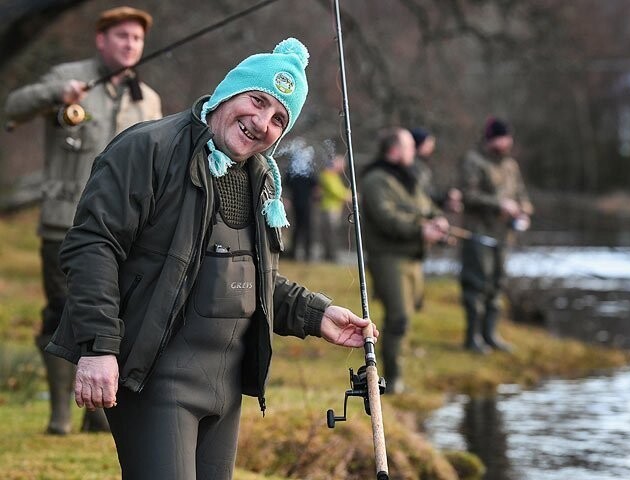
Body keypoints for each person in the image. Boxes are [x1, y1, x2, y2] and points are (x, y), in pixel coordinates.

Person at [45, 38, 377, 479]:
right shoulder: (149, 149)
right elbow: (92, 245)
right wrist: (99, 348)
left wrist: (318, 315)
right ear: (228, 90)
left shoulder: (261, 179)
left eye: (279, 118)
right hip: (153, 378)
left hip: (225, 390)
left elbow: (244, 276)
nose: (261, 123)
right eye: (257, 101)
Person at [4, 6, 162, 435]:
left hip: (125, 231)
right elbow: (12, 109)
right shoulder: (67, 76)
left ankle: (98, 413)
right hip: (65, 223)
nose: (130, 44)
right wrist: (56, 95)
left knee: (113, 315)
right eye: (122, 36)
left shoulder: (147, 100)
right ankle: (59, 415)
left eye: (136, 39)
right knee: (61, 312)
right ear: (101, 40)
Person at [360, 127, 449, 394]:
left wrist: (438, 218)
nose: (414, 152)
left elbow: (426, 206)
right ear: (395, 150)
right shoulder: (376, 179)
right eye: (409, 147)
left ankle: (399, 375)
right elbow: (386, 218)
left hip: (412, 258)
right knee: (397, 317)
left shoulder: (408, 177)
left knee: (407, 318)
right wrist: (420, 229)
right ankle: (393, 381)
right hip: (389, 258)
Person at [459, 117, 533, 354]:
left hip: (504, 236)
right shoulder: (473, 161)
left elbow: (522, 195)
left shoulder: (511, 166)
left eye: (508, 138)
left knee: (497, 285)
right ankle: (473, 338)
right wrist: (499, 204)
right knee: (477, 284)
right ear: (492, 139)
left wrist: (523, 210)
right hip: (478, 233)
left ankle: (490, 335)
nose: (506, 142)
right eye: (502, 137)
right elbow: (468, 196)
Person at [410, 127, 463, 213]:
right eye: (428, 143)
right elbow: (424, 192)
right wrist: (446, 196)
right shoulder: (413, 167)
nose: (432, 147)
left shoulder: (421, 166)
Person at [283, 136, 318, 261]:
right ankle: (298, 253)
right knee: (301, 227)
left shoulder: (301, 171)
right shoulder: (300, 170)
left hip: (302, 201)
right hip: (299, 201)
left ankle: (303, 253)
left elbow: (314, 184)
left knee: (302, 227)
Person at [318, 153, 351, 261]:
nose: (343, 168)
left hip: (334, 209)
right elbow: (337, 192)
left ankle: (330, 254)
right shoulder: (327, 175)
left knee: (332, 232)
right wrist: (350, 196)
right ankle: (330, 255)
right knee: (330, 233)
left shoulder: (334, 176)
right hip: (329, 208)